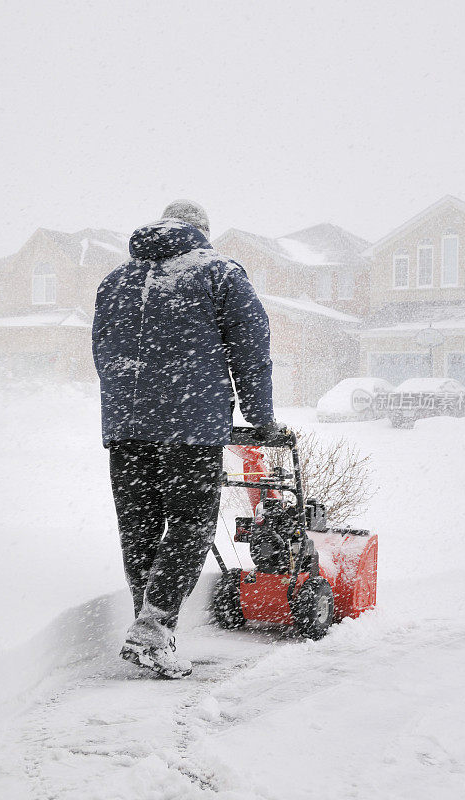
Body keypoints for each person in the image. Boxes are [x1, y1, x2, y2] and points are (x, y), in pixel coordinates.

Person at [92, 200, 282, 678]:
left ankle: (153, 632)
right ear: (201, 232)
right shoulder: (218, 272)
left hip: (127, 430)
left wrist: (128, 410)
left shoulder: (115, 281)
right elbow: (251, 349)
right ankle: (154, 631)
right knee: (188, 525)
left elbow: (102, 353)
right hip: (190, 428)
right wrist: (261, 419)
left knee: (139, 530)